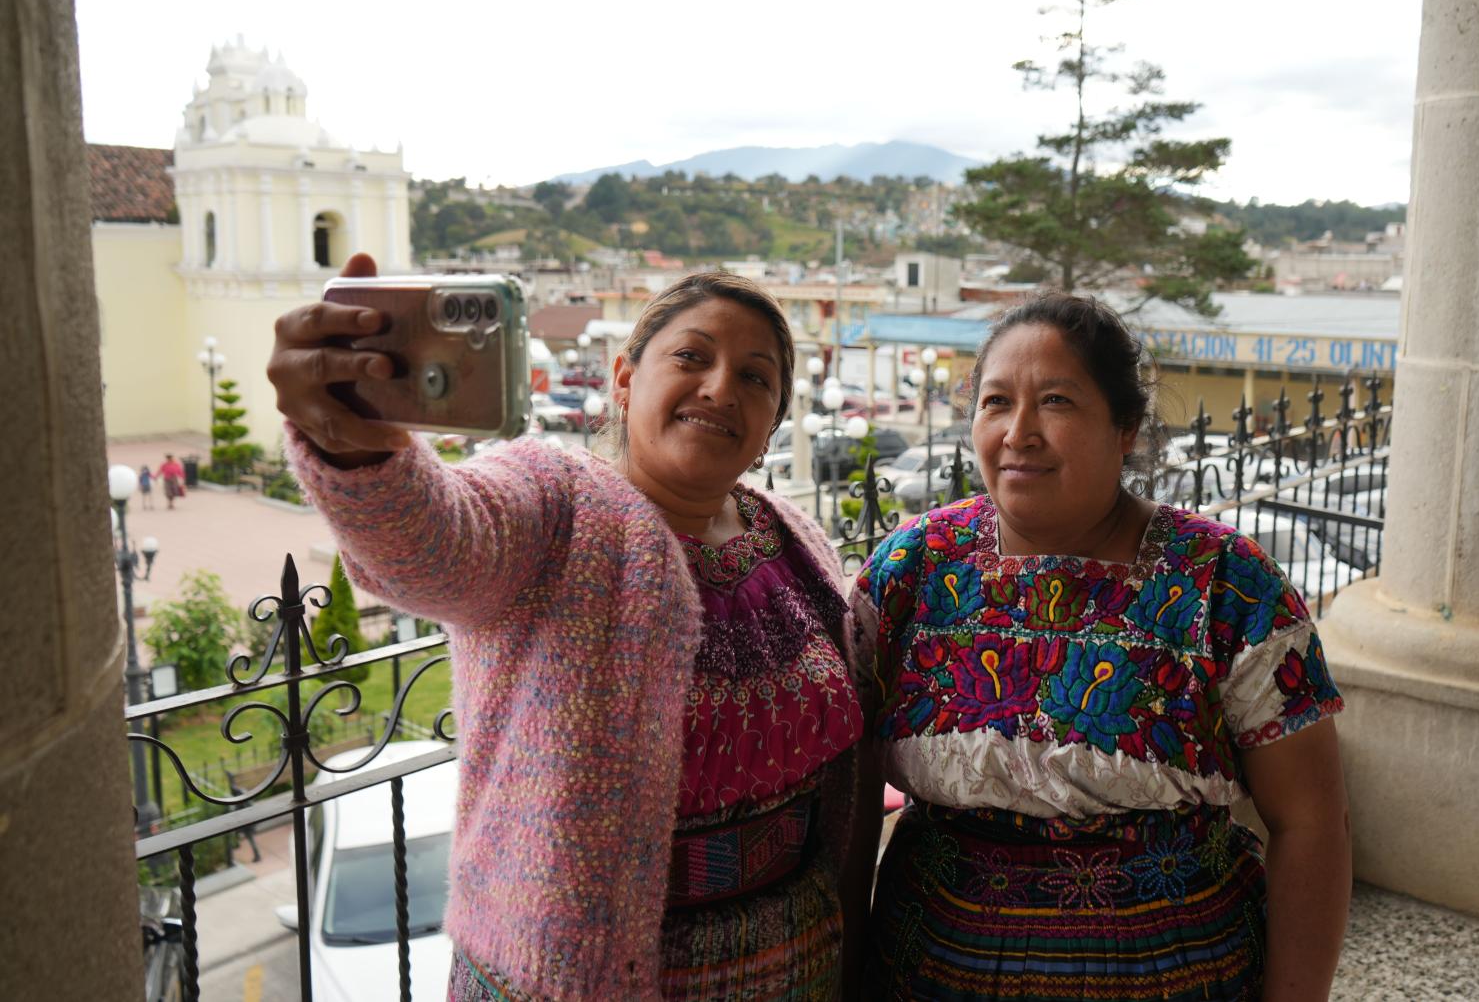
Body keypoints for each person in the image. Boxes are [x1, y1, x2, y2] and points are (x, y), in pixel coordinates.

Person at [268, 255, 881, 1001]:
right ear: (624, 378)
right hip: (578, 979)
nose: (721, 387)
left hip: (799, 964)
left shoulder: (793, 537)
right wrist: (356, 446)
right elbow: (439, 544)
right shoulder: (558, 507)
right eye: (692, 356)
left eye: (756, 377)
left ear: (774, 420)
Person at [853, 293, 1351, 1001]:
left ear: (1125, 427)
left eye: (1055, 401)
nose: (1019, 433)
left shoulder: (1226, 583)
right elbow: (849, 798)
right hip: (922, 975)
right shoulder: (911, 569)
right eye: (996, 402)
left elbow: (1311, 822)